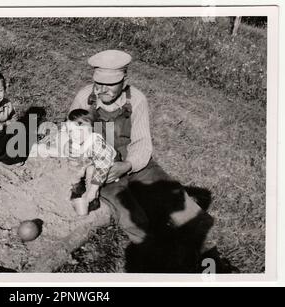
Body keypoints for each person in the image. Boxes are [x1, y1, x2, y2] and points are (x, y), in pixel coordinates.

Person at [70, 50, 213, 248]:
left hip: (131, 157)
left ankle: (200, 238)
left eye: (111, 84)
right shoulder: (85, 98)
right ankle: (152, 251)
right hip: (101, 165)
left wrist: (128, 165)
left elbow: (142, 142)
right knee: (129, 211)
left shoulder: (136, 99)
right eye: (99, 83)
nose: (103, 89)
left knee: (170, 194)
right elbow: (72, 136)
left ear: (125, 81)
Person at [65, 108, 118, 206]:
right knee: (78, 165)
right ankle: (79, 187)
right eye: (71, 131)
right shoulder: (79, 141)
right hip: (92, 161)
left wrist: (93, 190)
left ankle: (92, 197)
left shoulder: (96, 144)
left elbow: (102, 168)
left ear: (91, 128)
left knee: (91, 171)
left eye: (80, 130)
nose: (75, 134)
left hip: (108, 166)